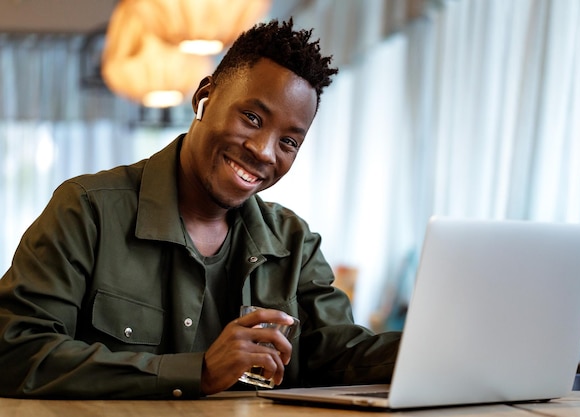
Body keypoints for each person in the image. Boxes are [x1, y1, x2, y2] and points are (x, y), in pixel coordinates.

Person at [0, 19, 401, 399]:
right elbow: (16, 354)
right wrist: (199, 371)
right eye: (251, 117)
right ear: (204, 98)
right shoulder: (87, 210)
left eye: (288, 142)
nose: (263, 151)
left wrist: (440, 347)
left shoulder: (294, 241)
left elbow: (339, 354)